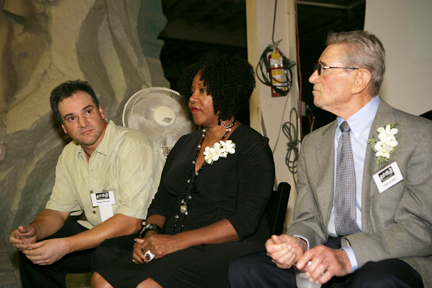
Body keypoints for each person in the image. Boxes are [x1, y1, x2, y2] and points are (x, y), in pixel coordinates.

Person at [229, 31, 432, 288]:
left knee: (376, 281)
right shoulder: (313, 144)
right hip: (325, 250)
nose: (313, 77)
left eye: (323, 68)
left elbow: (422, 227)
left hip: (390, 257)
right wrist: (297, 242)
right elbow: (307, 218)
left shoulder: (419, 135)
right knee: (247, 269)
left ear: (359, 79)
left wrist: (347, 257)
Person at [90, 51, 275, 288]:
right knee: (100, 281)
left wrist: (176, 242)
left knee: (147, 286)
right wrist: (151, 235)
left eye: (203, 91)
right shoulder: (185, 144)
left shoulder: (252, 146)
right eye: (192, 91)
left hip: (226, 248)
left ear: (228, 92)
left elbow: (245, 222)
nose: (192, 99)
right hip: (175, 243)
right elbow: (161, 202)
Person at [9, 80, 165, 288]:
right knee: (33, 254)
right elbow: (57, 210)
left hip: (140, 236)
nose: (82, 123)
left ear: (100, 111)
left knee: (106, 252)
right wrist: (35, 231)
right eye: (72, 118)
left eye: (88, 111)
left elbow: (131, 222)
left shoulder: (132, 144)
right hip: (97, 232)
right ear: (64, 127)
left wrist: (66, 245)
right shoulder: (70, 154)